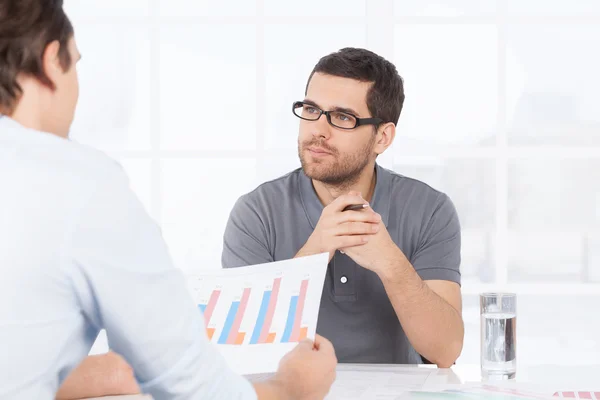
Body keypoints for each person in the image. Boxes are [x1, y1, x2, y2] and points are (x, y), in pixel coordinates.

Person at [0, 1, 337, 399]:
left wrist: (98, 373)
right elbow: (195, 389)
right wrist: (291, 386)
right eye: (75, 64)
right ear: (52, 60)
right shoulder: (76, 181)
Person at [222, 47, 464, 368]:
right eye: (310, 109)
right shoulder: (255, 213)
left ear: (382, 138)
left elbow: (445, 351)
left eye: (342, 117)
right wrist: (315, 251)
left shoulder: (429, 209)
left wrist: (391, 264)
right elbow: (241, 344)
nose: (318, 129)